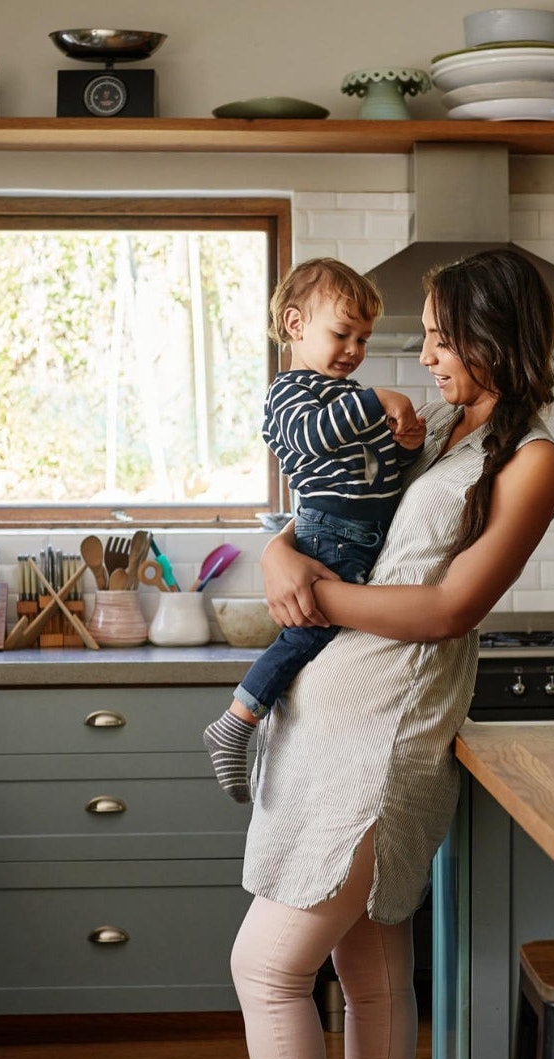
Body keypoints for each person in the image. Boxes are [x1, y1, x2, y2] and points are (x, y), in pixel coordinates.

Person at [229, 248, 554, 1059]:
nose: (422, 358)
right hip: (327, 726)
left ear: (490, 338)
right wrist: (280, 555)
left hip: (382, 740)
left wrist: (318, 595)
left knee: (267, 972)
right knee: (371, 981)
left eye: (439, 340)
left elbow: (451, 608)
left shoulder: (533, 460)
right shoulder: (428, 426)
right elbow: (335, 512)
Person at [203, 258, 426, 803]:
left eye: (363, 339)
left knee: (328, 646)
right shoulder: (291, 394)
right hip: (329, 535)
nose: (353, 350)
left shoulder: (348, 400)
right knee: (306, 633)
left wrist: (406, 445)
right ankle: (236, 721)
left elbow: (379, 474)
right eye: (341, 333)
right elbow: (311, 438)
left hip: (359, 539)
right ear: (297, 325)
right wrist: (379, 400)